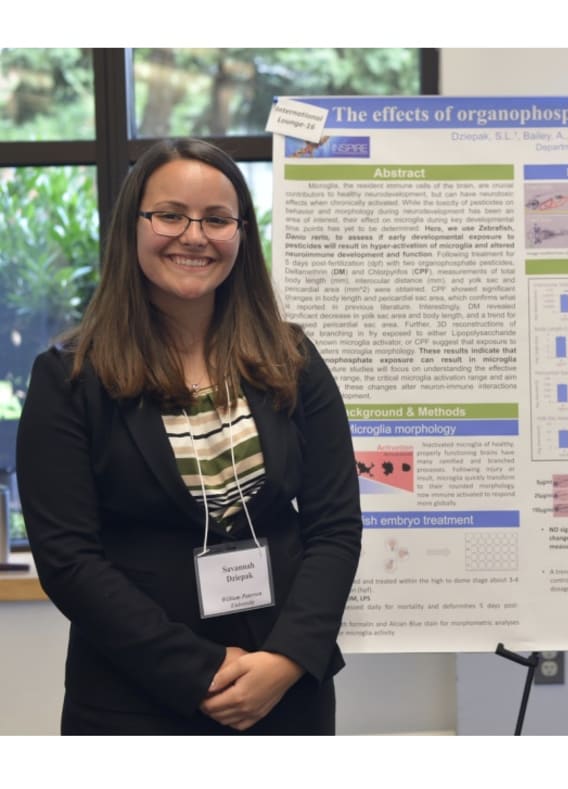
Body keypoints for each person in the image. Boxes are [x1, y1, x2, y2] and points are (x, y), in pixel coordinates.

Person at [15, 138, 363, 735]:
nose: (194, 236)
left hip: (283, 693)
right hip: (133, 699)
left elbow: (335, 526)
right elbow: (69, 559)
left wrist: (286, 659)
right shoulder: (70, 378)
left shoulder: (292, 359)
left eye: (217, 219)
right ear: (132, 227)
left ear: (242, 234)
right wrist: (198, 671)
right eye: (170, 215)